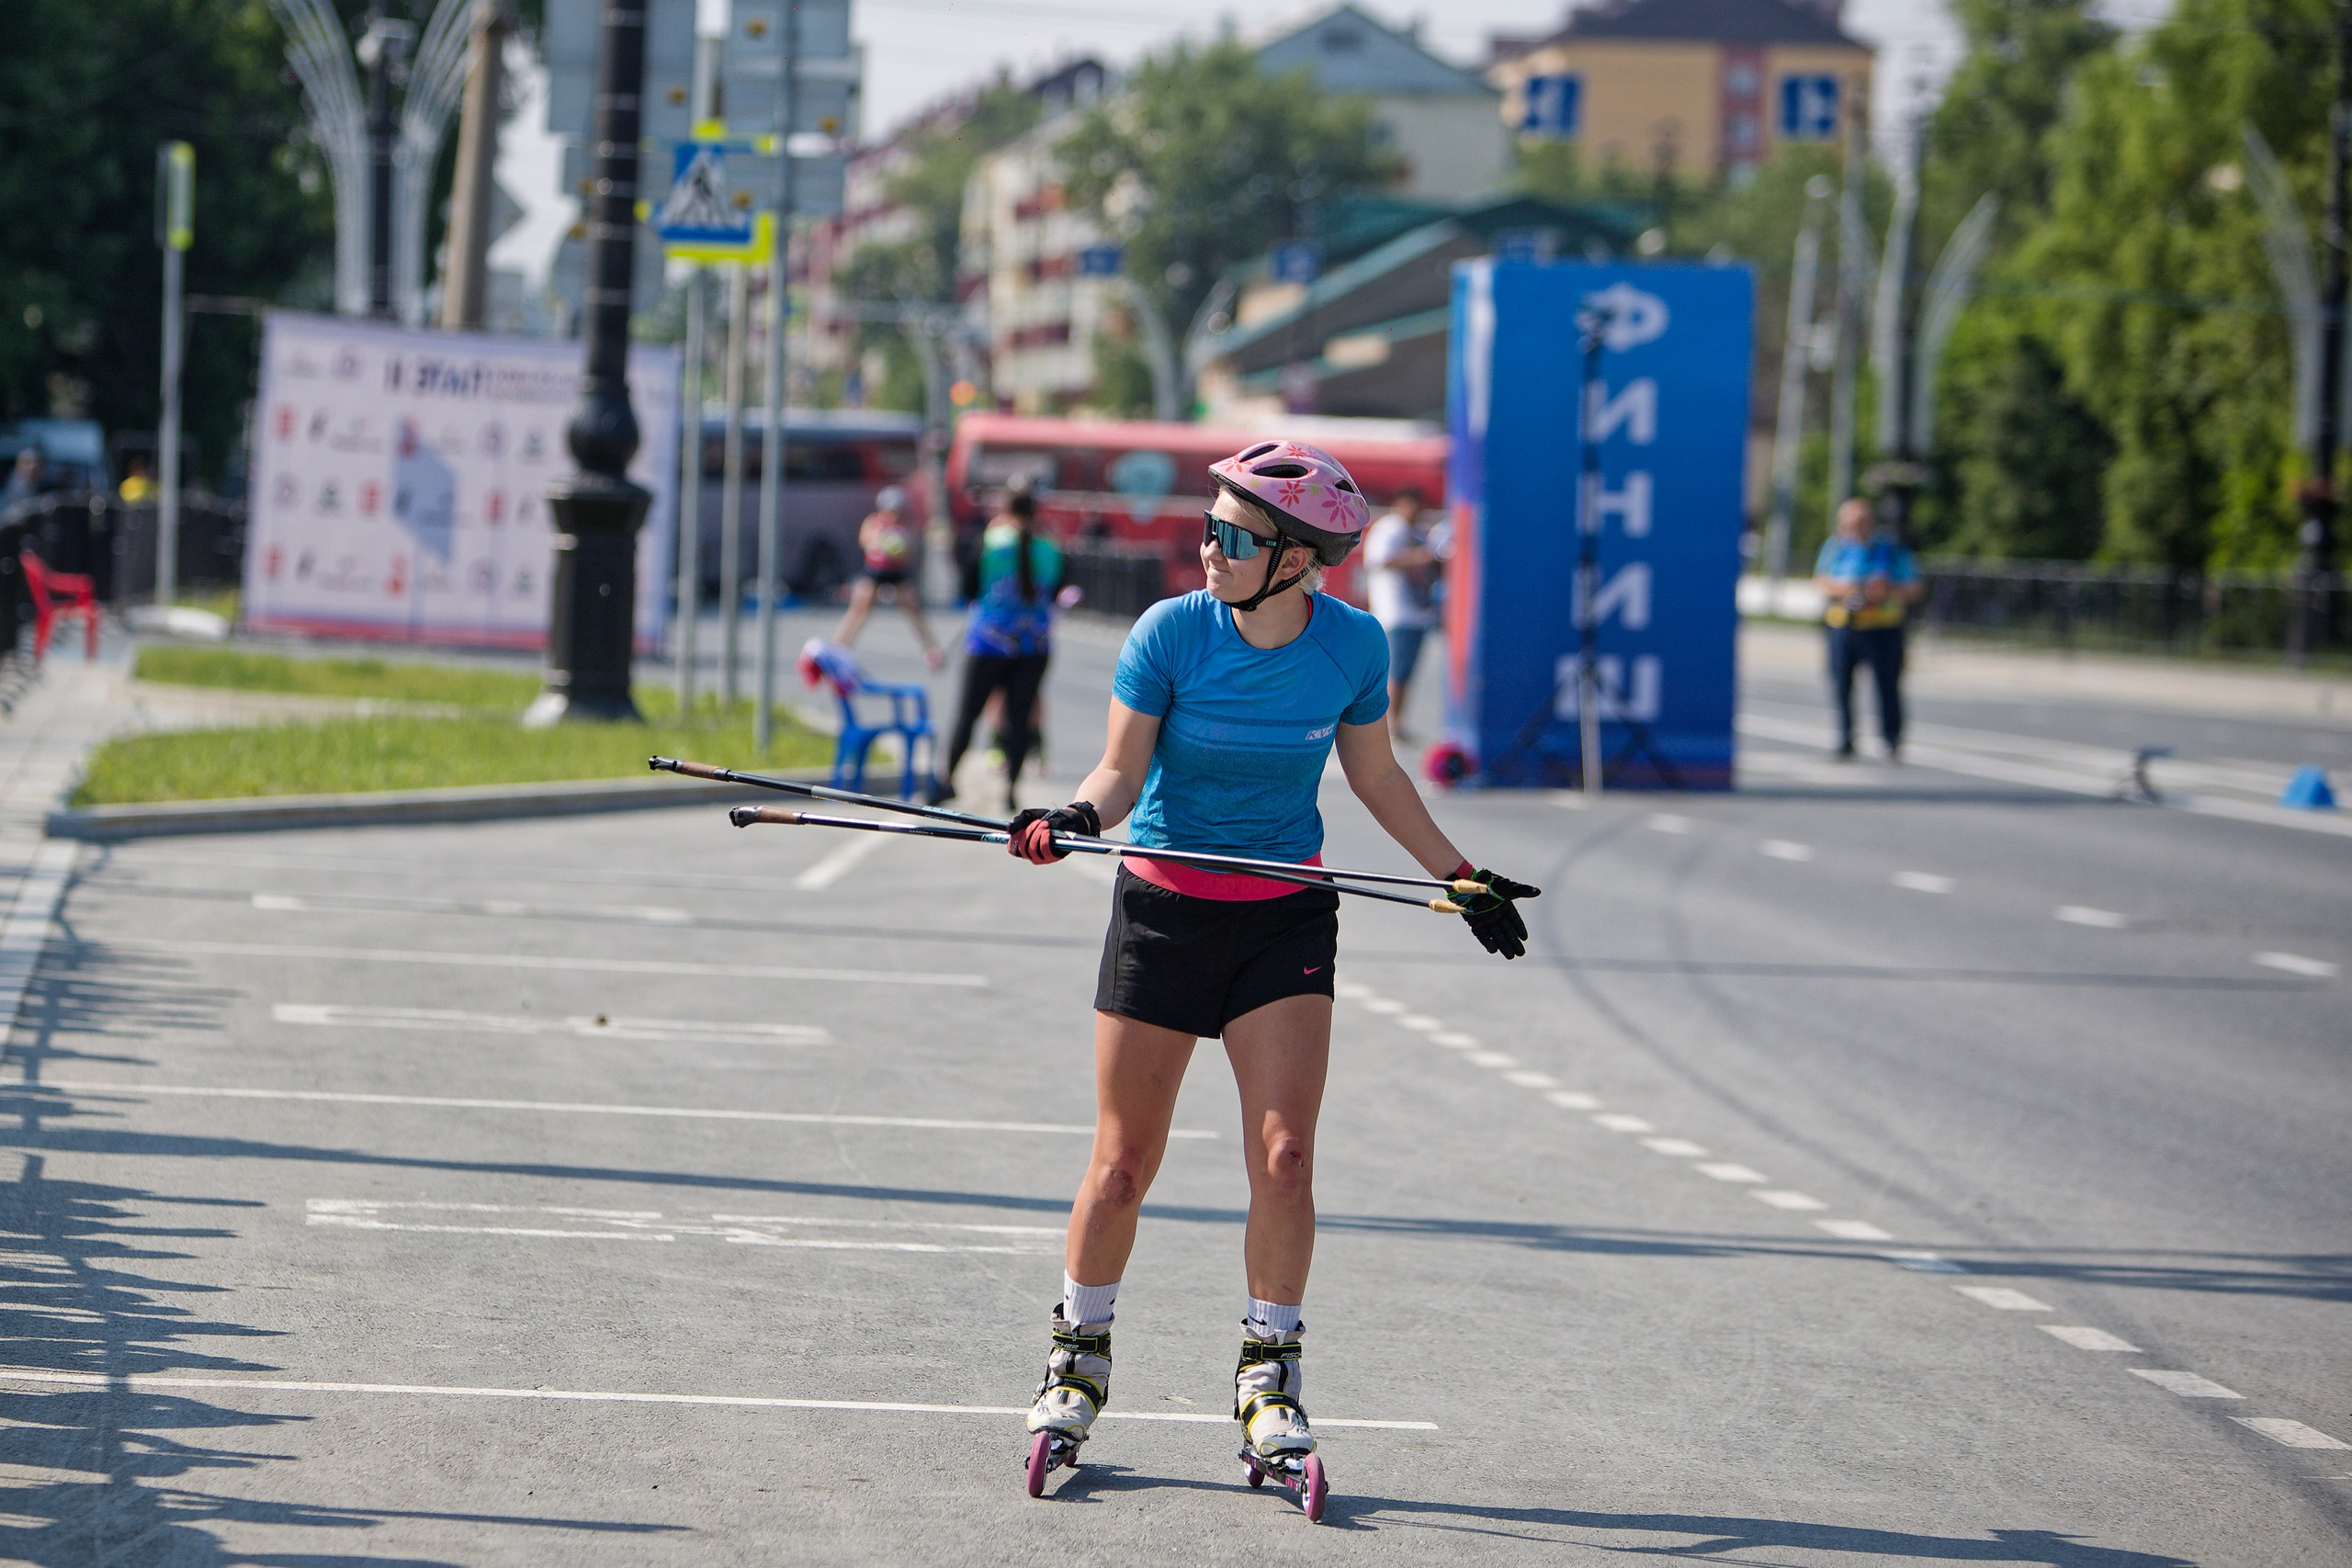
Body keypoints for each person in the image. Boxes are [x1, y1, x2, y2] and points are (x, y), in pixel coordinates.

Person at [1001, 440, 1538, 1494]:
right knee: (1122, 1165)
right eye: (1209, 527)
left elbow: (1376, 777)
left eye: (1235, 537)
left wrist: (1461, 876)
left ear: (1297, 560)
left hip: (1282, 918)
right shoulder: (1170, 631)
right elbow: (1118, 772)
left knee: (1286, 1159)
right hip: (1163, 911)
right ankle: (1076, 1359)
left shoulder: (1353, 646)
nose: (1209, 547)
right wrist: (1072, 819)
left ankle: (1270, 1378)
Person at [933, 483, 1063, 811]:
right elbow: (1058, 591)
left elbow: (968, 588)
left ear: (1005, 509)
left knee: (968, 714)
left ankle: (947, 780)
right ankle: (1011, 789)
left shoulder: (990, 542)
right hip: (1033, 645)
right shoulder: (1049, 548)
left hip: (988, 643)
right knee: (1020, 719)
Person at [1814, 497, 1922, 761]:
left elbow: (1914, 588)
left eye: (1860, 523)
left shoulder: (1891, 549)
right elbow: (1821, 581)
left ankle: (1891, 740)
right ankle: (1845, 738)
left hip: (1883, 628)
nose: (1853, 529)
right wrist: (1850, 588)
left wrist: (1886, 589)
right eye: (1848, 523)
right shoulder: (1835, 547)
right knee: (1841, 685)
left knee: (1887, 685)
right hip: (1843, 626)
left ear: (1871, 523)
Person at [831, 486, 944, 669]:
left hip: (896, 572)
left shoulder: (905, 527)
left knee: (914, 610)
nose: (894, 514)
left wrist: (900, 548)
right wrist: (882, 539)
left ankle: (932, 650)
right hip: (874, 571)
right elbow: (865, 540)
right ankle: (839, 649)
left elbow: (909, 552)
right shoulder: (874, 522)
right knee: (859, 609)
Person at [1363, 486, 1439, 739]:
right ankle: (1387, 725)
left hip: (1417, 612)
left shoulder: (1415, 531)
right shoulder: (1389, 529)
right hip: (1396, 612)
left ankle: (1396, 722)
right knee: (1395, 671)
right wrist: (1419, 557)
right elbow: (1379, 560)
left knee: (1406, 673)